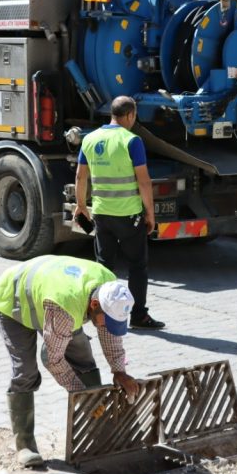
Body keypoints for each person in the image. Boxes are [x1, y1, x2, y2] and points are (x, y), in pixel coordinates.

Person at [0, 255, 141, 467]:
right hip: (12, 302)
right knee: (26, 371)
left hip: (49, 293)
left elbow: (108, 333)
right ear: (95, 304)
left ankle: (100, 433)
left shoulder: (110, 289)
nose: (106, 325)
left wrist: (119, 370)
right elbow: (52, 359)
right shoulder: (65, 308)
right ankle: (25, 444)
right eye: (104, 320)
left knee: (83, 358)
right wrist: (80, 394)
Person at [75, 96, 164, 330]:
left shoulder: (90, 139)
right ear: (130, 115)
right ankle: (138, 316)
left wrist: (81, 205)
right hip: (128, 215)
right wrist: (150, 214)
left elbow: (80, 176)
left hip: (102, 214)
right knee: (137, 266)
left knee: (104, 266)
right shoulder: (131, 141)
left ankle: (99, 313)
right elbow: (144, 182)